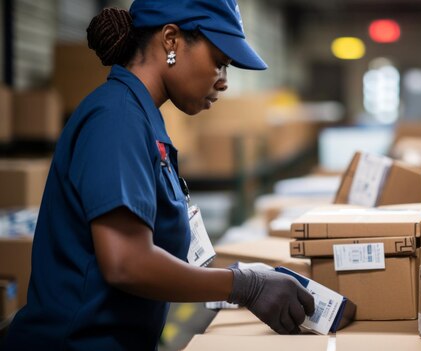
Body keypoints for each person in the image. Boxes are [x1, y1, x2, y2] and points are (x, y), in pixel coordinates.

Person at [2, 1, 314, 350]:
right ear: (171, 39)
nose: (224, 82)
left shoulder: (142, 118)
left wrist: (253, 273)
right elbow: (126, 262)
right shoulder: (116, 119)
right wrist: (243, 286)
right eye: (220, 62)